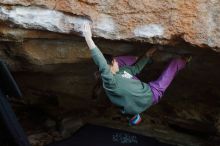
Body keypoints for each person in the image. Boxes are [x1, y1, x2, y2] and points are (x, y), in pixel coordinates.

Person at [82, 23, 191, 126]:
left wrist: (148, 54)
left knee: (125, 95)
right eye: (114, 61)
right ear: (109, 66)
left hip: (135, 100)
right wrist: (88, 38)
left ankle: (132, 115)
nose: (116, 61)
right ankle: (182, 62)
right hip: (151, 94)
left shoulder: (122, 71)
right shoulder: (110, 82)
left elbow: (136, 68)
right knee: (170, 70)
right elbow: (101, 63)